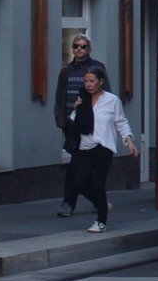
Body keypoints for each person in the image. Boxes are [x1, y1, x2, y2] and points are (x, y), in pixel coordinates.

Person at [58, 65, 138, 233]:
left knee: (98, 183)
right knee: (79, 181)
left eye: (92, 81)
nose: (88, 84)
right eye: (86, 81)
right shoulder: (82, 98)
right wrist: (76, 108)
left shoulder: (112, 100)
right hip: (83, 146)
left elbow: (121, 122)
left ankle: (101, 221)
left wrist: (129, 141)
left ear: (100, 82)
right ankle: (102, 203)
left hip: (103, 146)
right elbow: (73, 122)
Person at [53, 34, 107, 130]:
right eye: (76, 46)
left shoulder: (98, 67)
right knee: (70, 145)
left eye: (83, 46)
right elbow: (59, 96)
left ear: (89, 49)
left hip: (91, 120)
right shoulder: (66, 69)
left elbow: (106, 93)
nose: (79, 48)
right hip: (70, 121)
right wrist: (60, 119)